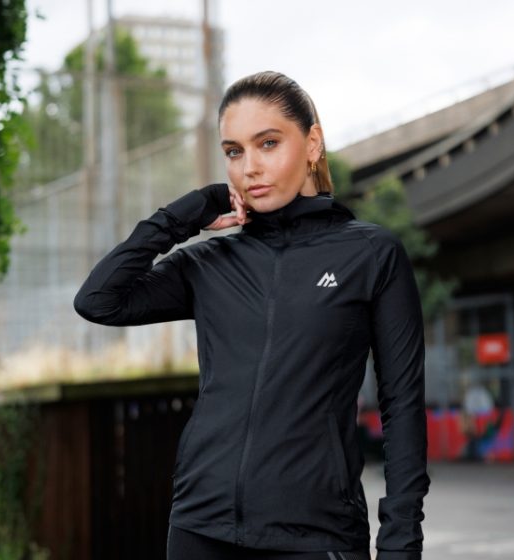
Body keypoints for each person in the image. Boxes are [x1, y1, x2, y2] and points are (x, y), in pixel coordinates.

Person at [73, 71, 430, 560]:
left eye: (268, 143)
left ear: (312, 143)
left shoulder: (370, 254)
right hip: (200, 529)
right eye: (234, 151)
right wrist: (191, 211)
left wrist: (400, 542)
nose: (250, 167)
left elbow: (403, 404)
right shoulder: (209, 263)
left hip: (315, 534)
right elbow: (99, 299)